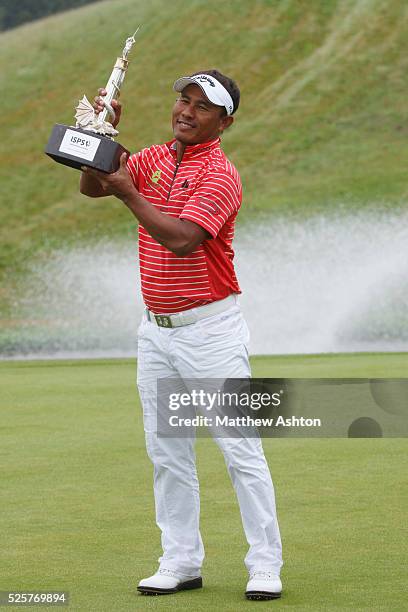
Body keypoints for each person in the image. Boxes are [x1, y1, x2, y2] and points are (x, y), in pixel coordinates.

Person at [79, 70, 283, 600]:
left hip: (210, 331)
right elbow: (93, 184)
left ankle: (265, 564)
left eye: (202, 106)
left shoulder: (220, 174)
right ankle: (181, 560)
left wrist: (128, 194)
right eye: (183, 100)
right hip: (157, 333)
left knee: (239, 449)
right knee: (167, 451)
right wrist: (102, 137)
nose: (186, 111)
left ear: (225, 121)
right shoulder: (150, 158)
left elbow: (184, 241)